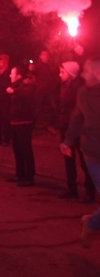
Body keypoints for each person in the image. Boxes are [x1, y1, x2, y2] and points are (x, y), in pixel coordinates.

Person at [60, 58, 100, 248]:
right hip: (94, 154)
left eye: (86, 71)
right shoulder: (83, 93)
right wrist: (67, 141)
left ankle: (91, 222)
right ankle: (92, 223)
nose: (82, 75)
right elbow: (77, 117)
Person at [56, 61, 94, 202]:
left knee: (84, 160)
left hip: (79, 129)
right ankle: (72, 188)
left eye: (62, 72)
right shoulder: (64, 86)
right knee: (68, 159)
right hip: (66, 126)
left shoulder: (80, 88)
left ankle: (90, 191)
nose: (60, 75)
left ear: (70, 73)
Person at [6, 64, 37, 187]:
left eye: (12, 73)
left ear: (18, 75)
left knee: (26, 150)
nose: (10, 75)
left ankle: (30, 177)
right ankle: (19, 174)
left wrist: (14, 91)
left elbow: (27, 97)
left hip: (24, 122)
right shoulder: (16, 85)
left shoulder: (27, 84)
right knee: (17, 150)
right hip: (15, 121)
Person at [32, 50, 60, 131]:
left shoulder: (52, 65)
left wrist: (54, 84)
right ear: (40, 56)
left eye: (47, 55)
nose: (45, 56)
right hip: (40, 90)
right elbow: (33, 73)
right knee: (36, 109)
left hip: (49, 90)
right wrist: (31, 70)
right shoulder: (37, 66)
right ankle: (32, 125)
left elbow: (55, 75)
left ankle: (51, 125)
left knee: (54, 107)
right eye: (43, 55)